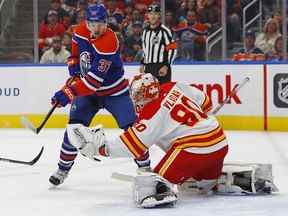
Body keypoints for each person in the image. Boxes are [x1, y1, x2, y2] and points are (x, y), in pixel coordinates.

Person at [66, 73, 278, 208]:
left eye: (137, 97)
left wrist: (100, 148)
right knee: (205, 185)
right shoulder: (175, 86)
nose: (136, 102)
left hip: (192, 149)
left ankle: (166, 189)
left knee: (151, 184)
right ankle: (224, 179)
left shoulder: (151, 113)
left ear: (142, 96)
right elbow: (204, 101)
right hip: (219, 141)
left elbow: (132, 145)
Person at [48, 4, 137, 186]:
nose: (97, 28)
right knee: (73, 129)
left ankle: (146, 168)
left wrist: (67, 93)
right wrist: (73, 68)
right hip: (88, 93)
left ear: (106, 22)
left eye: (101, 24)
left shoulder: (109, 42)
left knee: (132, 129)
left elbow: (93, 82)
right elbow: (74, 54)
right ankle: (62, 169)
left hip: (114, 91)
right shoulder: (79, 31)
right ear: (86, 23)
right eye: (93, 24)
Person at [140, 3, 177, 84]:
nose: (153, 16)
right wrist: (142, 64)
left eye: (155, 14)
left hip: (161, 67)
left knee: (163, 93)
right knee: (149, 94)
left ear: (159, 16)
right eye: (151, 14)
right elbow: (145, 50)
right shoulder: (145, 31)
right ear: (148, 16)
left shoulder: (165, 31)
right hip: (148, 68)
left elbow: (173, 49)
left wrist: (166, 66)